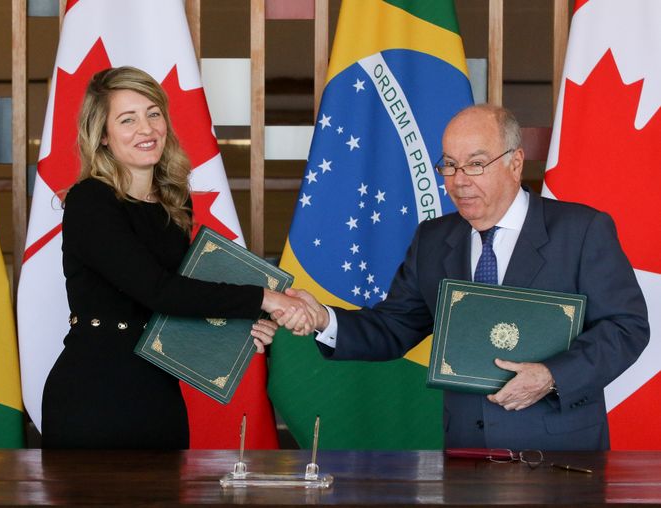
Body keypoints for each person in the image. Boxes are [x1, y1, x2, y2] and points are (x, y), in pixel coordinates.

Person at [278, 104, 649, 451]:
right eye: (450, 165)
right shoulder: (433, 239)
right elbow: (394, 327)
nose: (459, 181)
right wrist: (323, 319)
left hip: (561, 449)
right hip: (466, 450)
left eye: (476, 164)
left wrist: (552, 375)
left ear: (515, 163)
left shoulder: (581, 230)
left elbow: (627, 327)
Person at [41, 66, 312, 449]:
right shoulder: (90, 201)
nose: (146, 129)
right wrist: (264, 298)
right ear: (102, 135)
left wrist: (244, 328)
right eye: (127, 119)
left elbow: (181, 305)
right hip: (95, 397)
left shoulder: (173, 202)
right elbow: (159, 291)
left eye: (153, 113)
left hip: (158, 395)